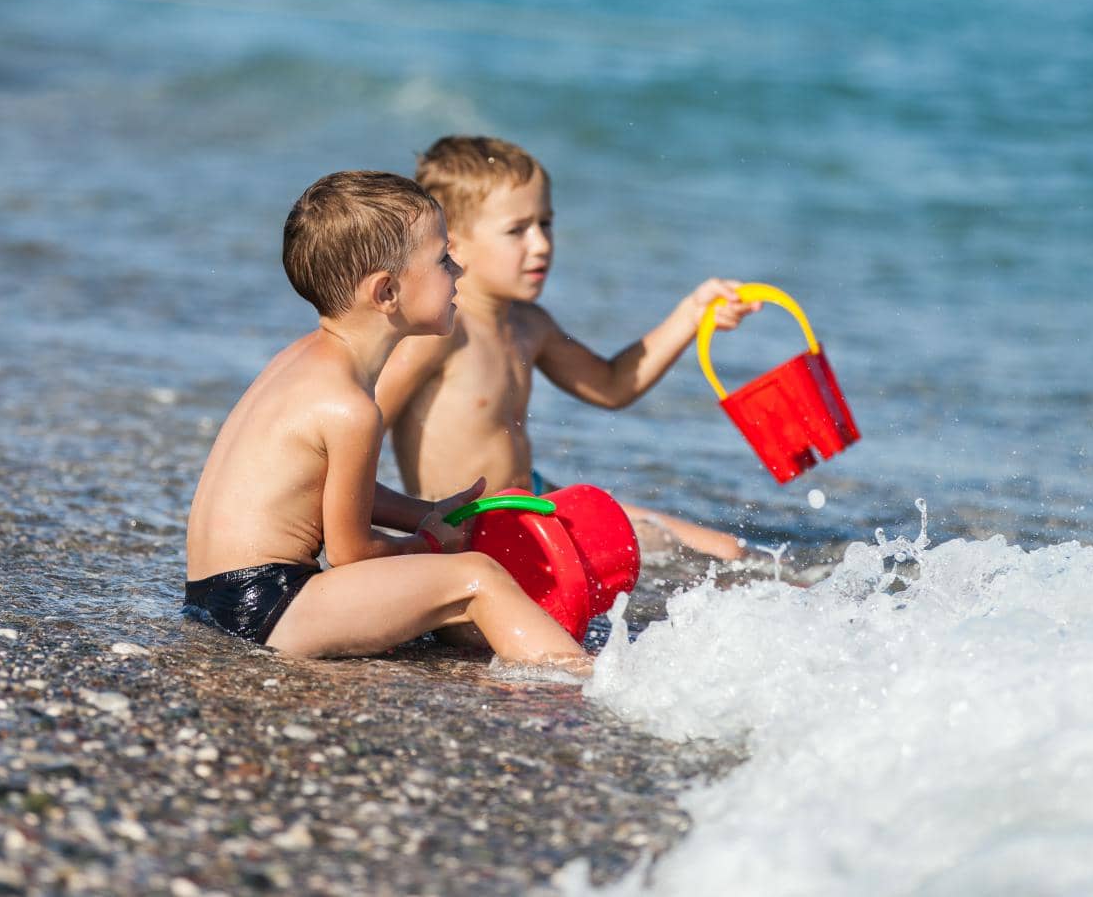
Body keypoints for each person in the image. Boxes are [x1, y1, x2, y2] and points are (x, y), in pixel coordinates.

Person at [184, 170, 590, 672]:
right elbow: (351, 552)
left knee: (454, 587)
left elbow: (324, 486)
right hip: (269, 607)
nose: (459, 268)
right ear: (387, 292)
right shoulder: (350, 406)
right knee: (477, 578)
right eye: (443, 258)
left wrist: (424, 512)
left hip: (214, 597)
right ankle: (579, 681)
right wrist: (427, 547)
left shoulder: (303, 361)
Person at [376, 136, 759, 561]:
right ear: (453, 242)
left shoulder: (528, 324)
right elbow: (358, 432)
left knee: (725, 550)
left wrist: (691, 314)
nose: (541, 244)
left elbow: (613, 386)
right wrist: (398, 534)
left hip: (533, 499)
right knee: (657, 553)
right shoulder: (437, 336)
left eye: (546, 223)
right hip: (472, 530)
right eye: (517, 230)